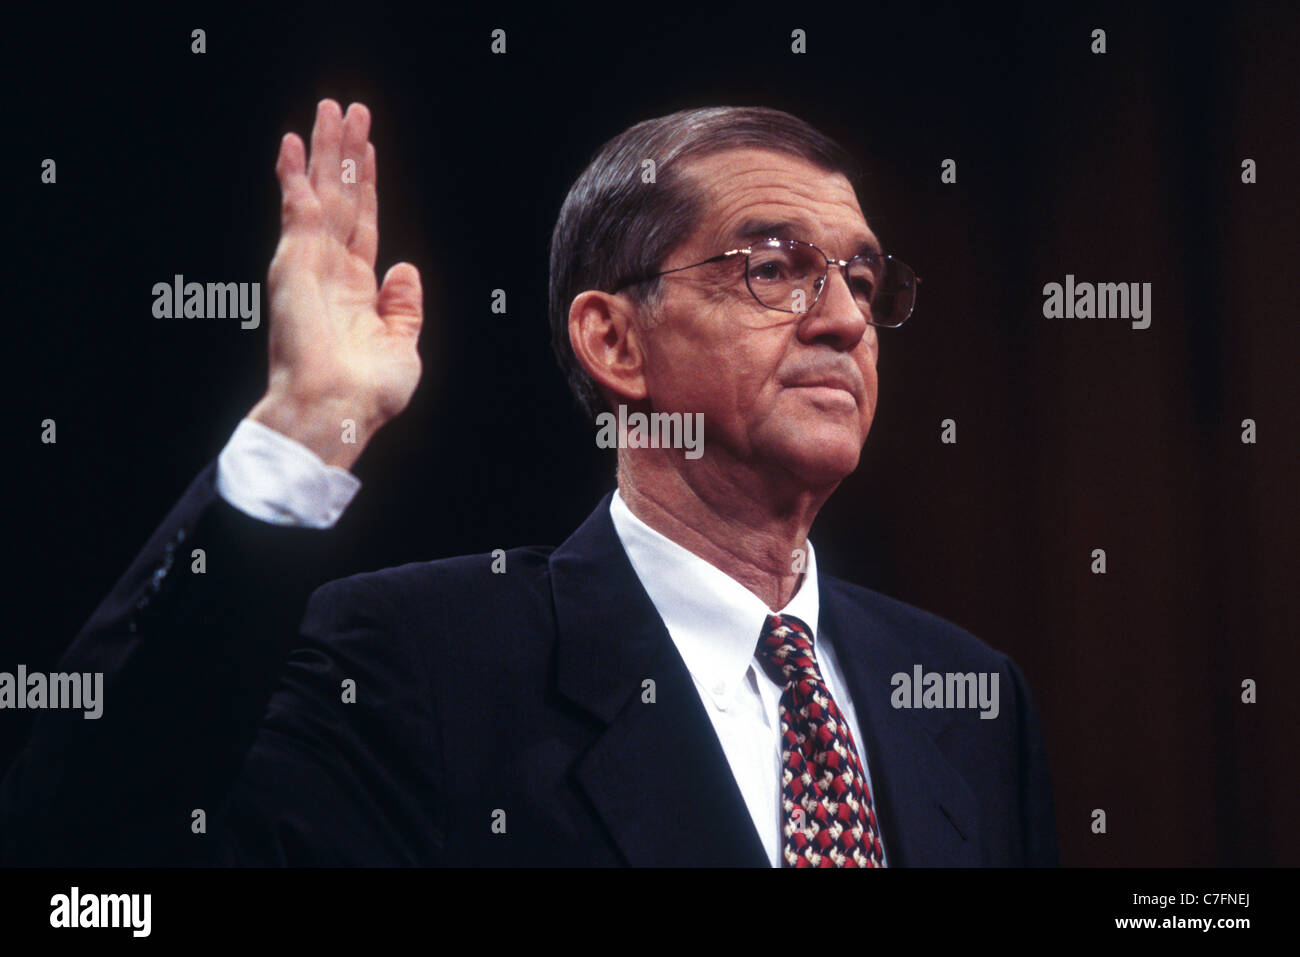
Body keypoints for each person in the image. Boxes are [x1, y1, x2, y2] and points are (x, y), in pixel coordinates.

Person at [0, 99, 1058, 867]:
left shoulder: (968, 699)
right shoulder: (421, 663)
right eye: (772, 269)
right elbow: (87, 858)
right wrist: (301, 430)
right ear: (612, 340)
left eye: (862, 279)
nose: (844, 321)